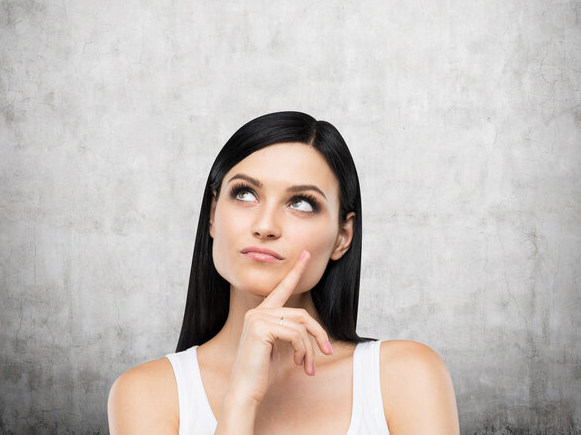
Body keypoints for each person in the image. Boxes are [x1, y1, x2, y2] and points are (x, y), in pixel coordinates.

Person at [108, 111, 459, 434]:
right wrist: (241, 399)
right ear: (213, 214)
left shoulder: (405, 376)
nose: (265, 226)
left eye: (301, 203)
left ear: (342, 237)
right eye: (245, 194)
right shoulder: (146, 393)